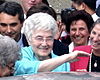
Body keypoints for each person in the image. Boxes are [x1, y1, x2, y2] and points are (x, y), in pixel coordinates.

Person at [14, 13, 90, 76]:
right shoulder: (19, 55)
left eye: (49, 38)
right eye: (39, 38)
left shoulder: (64, 64)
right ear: (28, 39)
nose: (44, 43)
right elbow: (34, 68)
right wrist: (67, 57)